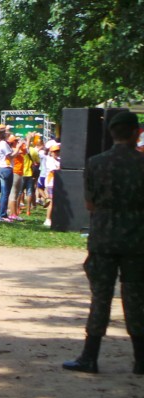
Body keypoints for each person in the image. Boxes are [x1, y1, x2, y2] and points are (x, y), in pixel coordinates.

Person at [62, 111, 144, 375]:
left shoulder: (96, 163)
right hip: (137, 241)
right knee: (136, 299)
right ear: (136, 132)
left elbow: (90, 203)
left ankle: (90, 356)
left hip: (103, 240)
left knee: (100, 298)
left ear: (111, 132)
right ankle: (141, 360)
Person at [43, 141, 60, 228]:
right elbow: (54, 170)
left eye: (58, 151)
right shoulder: (49, 160)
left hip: (57, 183)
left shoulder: (59, 160)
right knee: (52, 202)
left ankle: (53, 218)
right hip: (51, 183)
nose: (57, 153)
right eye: (55, 151)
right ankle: (47, 219)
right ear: (51, 152)